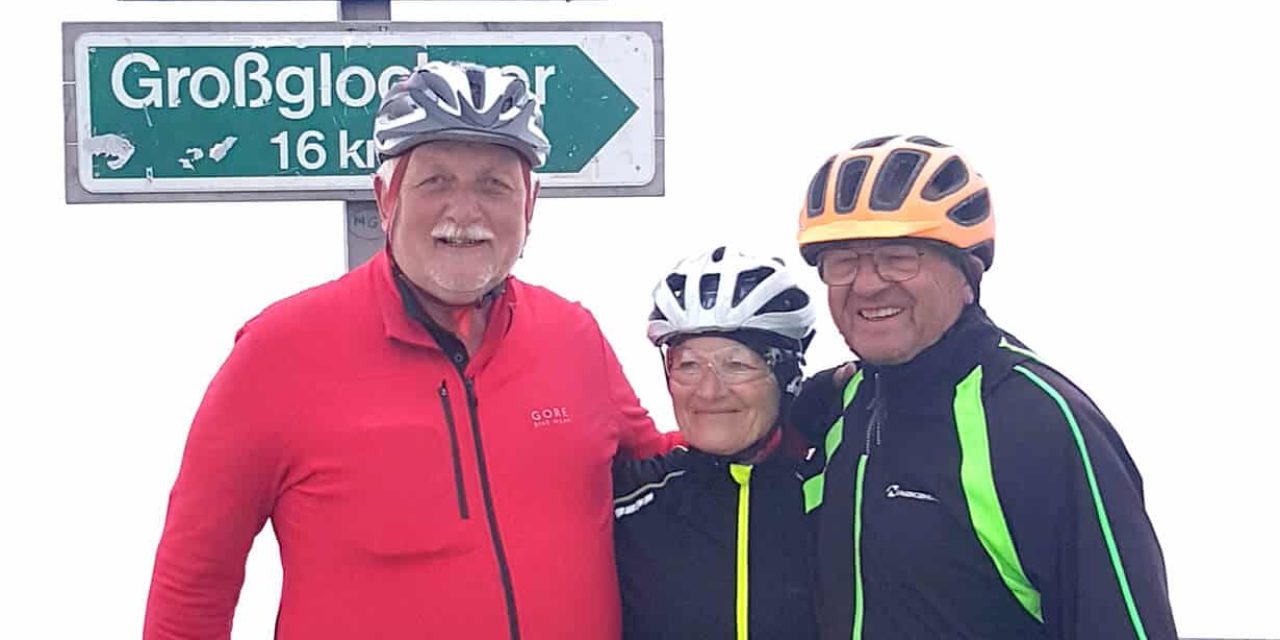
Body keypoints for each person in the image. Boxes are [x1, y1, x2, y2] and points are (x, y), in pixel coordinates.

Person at [143, 60, 673, 639]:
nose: (465, 212)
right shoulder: (280, 351)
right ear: (385, 197)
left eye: (494, 184)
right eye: (436, 181)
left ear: (530, 205)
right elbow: (193, 584)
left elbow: (670, 477)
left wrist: (774, 418)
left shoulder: (573, 336)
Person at [791, 135, 1178, 639]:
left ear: (967, 270)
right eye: (844, 262)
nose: (866, 284)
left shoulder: (1038, 422)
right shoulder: (841, 404)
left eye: (898, 256)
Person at [613, 246, 821, 639]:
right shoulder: (627, 502)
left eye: (737, 365)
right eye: (688, 365)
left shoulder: (835, 498)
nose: (709, 392)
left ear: (788, 374)